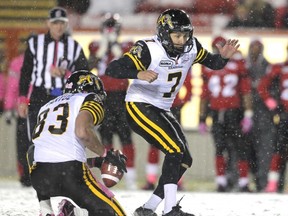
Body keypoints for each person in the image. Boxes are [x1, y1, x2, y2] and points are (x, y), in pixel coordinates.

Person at [105, 9, 240, 216]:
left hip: (162, 108)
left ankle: (148, 207)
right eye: (177, 35)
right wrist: (137, 72)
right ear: (163, 33)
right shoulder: (148, 49)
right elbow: (113, 69)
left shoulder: (191, 47)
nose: (182, 40)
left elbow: (212, 63)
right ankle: (170, 209)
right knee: (175, 150)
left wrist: (222, 58)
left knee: (185, 159)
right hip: (139, 105)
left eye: (185, 35)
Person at [27, 70, 127, 216]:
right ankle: (76, 212)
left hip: (40, 179)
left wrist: (95, 161)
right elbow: (81, 132)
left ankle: (46, 209)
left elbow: (51, 152)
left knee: (33, 149)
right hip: (70, 176)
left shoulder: (46, 106)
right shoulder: (89, 98)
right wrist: (106, 154)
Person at [18, 7, 89, 140]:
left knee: (62, 139)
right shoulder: (35, 43)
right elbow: (26, 72)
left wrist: (67, 74)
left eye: (62, 23)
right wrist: (22, 98)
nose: (59, 27)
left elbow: (85, 74)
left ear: (66, 24)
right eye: (55, 23)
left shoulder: (74, 46)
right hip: (39, 94)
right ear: (48, 23)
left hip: (64, 96)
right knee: (36, 138)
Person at [88, 13, 137, 190]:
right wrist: (103, 48)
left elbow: (128, 64)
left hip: (122, 97)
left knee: (126, 138)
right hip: (104, 97)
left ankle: (131, 178)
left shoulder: (127, 45)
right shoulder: (95, 46)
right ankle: (107, 177)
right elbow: (89, 66)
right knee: (105, 139)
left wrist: (114, 46)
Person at [199, 36, 253, 192]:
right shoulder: (235, 64)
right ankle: (224, 182)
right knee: (222, 147)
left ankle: (239, 182)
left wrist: (248, 114)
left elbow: (245, 91)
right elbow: (205, 94)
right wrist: (202, 117)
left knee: (236, 147)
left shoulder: (233, 64)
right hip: (221, 111)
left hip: (231, 112)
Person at [142, 71, 192, 191]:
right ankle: (151, 180)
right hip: (161, 107)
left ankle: (176, 180)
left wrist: (180, 103)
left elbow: (188, 87)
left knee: (176, 145)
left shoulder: (178, 62)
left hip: (167, 107)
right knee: (156, 144)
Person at [244, 39, 277, 192]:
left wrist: (271, 104)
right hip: (246, 114)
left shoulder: (269, 67)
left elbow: (273, 87)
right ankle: (247, 180)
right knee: (247, 150)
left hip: (264, 114)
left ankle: (262, 182)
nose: (255, 50)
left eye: (257, 48)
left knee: (265, 149)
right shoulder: (244, 66)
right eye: (253, 47)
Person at [257, 44, 288, 193]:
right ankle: (273, 183)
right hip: (284, 115)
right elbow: (262, 87)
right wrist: (273, 104)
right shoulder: (279, 68)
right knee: (278, 149)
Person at [3, 44, 32, 187]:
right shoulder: (19, 62)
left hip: (25, 107)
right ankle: (30, 174)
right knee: (28, 143)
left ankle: (27, 174)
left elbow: (13, 86)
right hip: (30, 107)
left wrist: (9, 107)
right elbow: (13, 86)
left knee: (24, 143)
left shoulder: (18, 62)